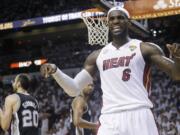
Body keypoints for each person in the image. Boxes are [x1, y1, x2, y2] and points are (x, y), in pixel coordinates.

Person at [40, 6, 180, 135]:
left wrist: (178, 58)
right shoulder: (97, 55)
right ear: (107, 24)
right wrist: (55, 71)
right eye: (112, 19)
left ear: (129, 22)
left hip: (139, 114)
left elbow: (176, 75)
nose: (116, 21)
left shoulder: (145, 48)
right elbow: (74, 89)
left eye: (120, 18)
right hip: (110, 118)